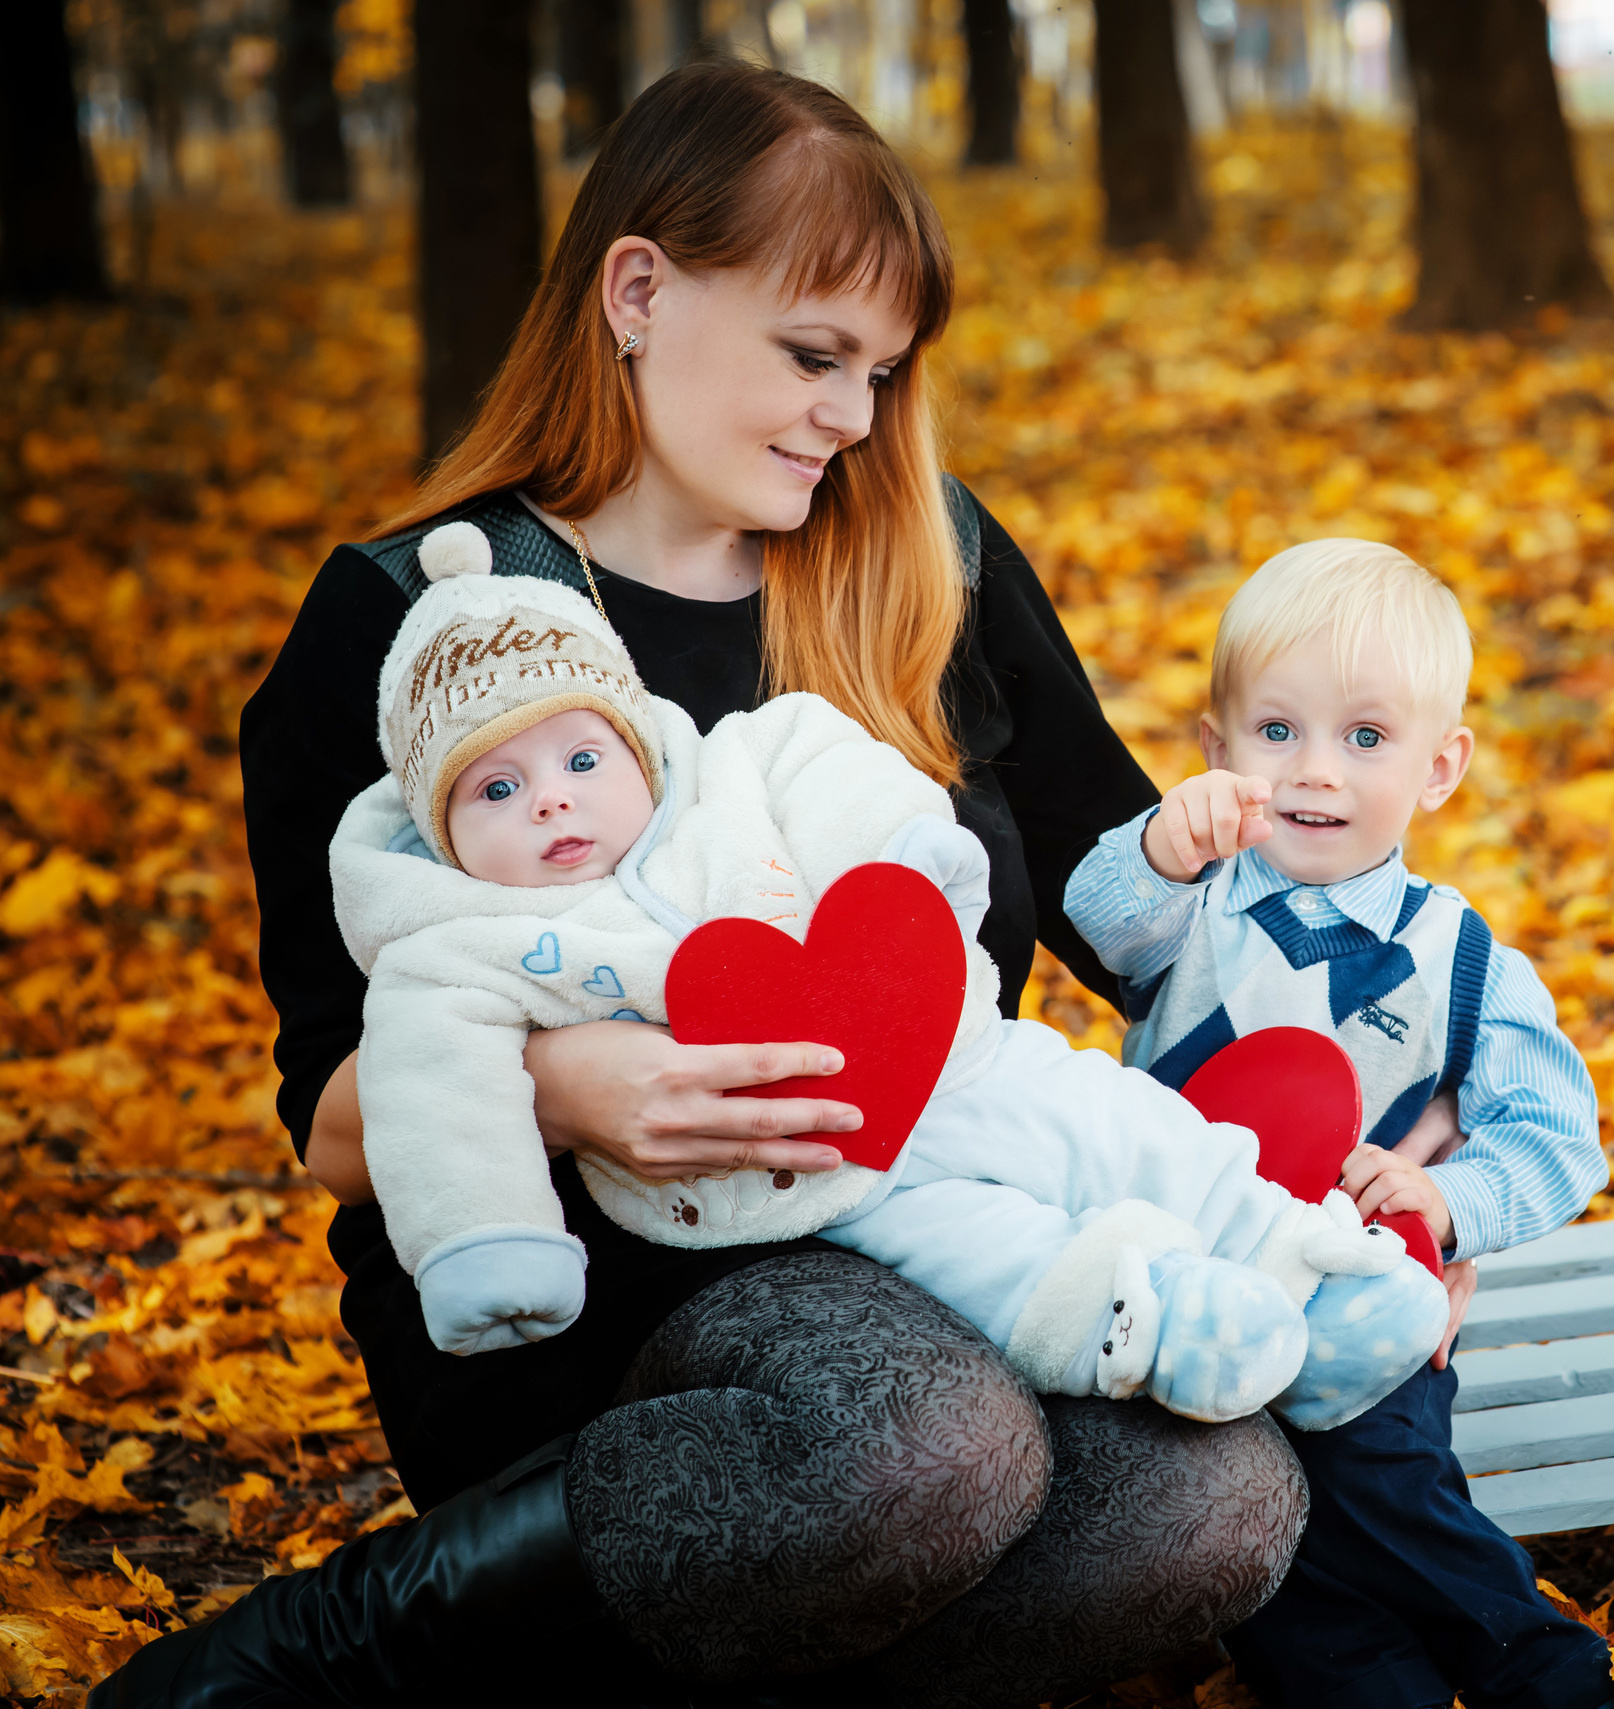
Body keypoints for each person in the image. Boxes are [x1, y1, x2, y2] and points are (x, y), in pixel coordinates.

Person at [97, 59, 1308, 1709]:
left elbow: (1131, 900)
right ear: (640, 292)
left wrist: (1368, 1131)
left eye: (880, 370)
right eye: (813, 356)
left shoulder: (925, 560)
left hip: (932, 1226)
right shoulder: (422, 630)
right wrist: (570, 1084)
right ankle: (338, 1651)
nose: (853, 417)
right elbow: (331, 1115)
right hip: (595, 1303)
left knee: (1217, 1504)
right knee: (926, 1442)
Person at [336, 524, 1446, 1428]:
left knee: (1120, 1127)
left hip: (957, 1056)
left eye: (583, 758)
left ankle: (1306, 1261)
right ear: (438, 831)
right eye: (495, 790)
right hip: (812, 1180)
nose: (551, 799)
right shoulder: (461, 943)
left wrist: (907, 864)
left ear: (638, 746)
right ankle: (1162, 1321)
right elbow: (432, 1091)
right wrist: (493, 1247)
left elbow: (838, 771)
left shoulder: (732, 769)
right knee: (984, 1256)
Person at [1064, 539, 1614, 1709]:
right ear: (1216, 747)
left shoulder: (1462, 957)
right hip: (1189, 1299)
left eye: (1365, 737)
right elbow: (1097, 916)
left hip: (1363, 1299)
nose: (1314, 770)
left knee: (1385, 1483)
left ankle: (1537, 1664)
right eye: (1275, 731)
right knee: (1267, 1553)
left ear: (1439, 766)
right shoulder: (1192, 909)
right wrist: (1160, 845)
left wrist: (1449, 1201)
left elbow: (1556, 1131)